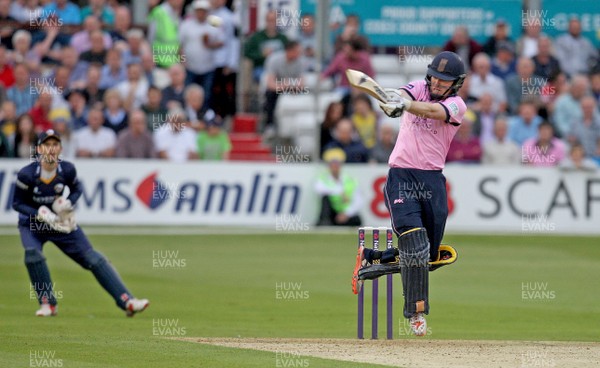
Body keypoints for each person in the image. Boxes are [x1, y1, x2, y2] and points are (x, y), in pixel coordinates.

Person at [353, 51, 465, 336]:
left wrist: (403, 105)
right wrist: (390, 102)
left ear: (456, 84)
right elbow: (398, 95)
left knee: (426, 256)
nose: (438, 84)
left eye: (445, 81)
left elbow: (430, 111)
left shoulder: (457, 105)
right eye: (436, 78)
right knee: (414, 243)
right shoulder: (418, 88)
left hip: (432, 181)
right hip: (402, 175)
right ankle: (416, 312)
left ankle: (372, 256)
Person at [12, 129, 149, 317]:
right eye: (47, 145)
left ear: (60, 148)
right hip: (33, 225)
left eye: (55, 145)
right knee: (32, 256)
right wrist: (39, 213)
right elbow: (17, 203)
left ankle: (127, 301)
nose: (51, 149)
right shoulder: (27, 174)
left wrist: (68, 202)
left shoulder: (67, 169)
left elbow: (77, 189)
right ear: (38, 149)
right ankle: (48, 304)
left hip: (60, 223)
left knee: (93, 258)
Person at [178, 0, 222, 107]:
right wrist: (182, 62)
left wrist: (209, 44)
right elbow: (180, 46)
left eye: (203, 11)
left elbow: (222, 42)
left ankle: (203, 116)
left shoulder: (214, 22)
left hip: (208, 67)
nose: (201, 14)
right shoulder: (186, 24)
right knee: (188, 93)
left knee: (206, 95)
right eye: (199, 11)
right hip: (190, 67)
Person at [262, 40, 305, 137]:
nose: (299, 54)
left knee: (305, 93)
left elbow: (301, 83)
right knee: (270, 95)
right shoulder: (274, 60)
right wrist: (283, 85)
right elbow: (270, 83)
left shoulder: (300, 62)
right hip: (277, 88)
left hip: (291, 88)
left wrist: (289, 84)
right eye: (296, 51)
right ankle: (270, 124)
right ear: (289, 51)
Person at [314, 148, 363, 226]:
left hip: (345, 213)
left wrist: (346, 213)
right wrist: (339, 192)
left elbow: (358, 201)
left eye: (336, 164)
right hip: (331, 214)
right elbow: (319, 189)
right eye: (332, 164)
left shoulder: (350, 180)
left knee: (357, 220)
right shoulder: (323, 179)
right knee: (325, 199)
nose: (334, 167)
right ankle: (325, 223)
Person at [244, 10, 288, 82]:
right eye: (269, 20)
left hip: (279, 69)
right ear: (266, 21)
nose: (271, 23)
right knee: (263, 77)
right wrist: (261, 54)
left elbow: (288, 53)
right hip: (261, 68)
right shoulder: (257, 37)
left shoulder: (283, 38)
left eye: (273, 20)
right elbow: (247, 52)